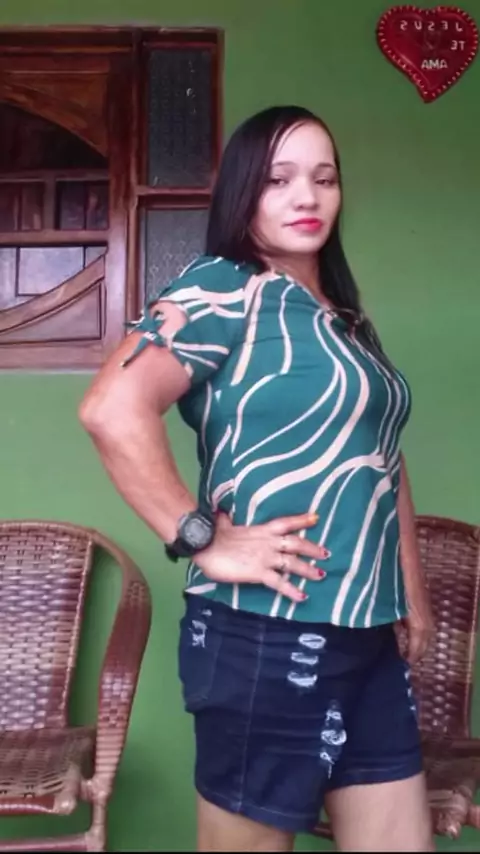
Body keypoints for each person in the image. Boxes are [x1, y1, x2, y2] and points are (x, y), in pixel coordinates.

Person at [79, 105, 436, 852]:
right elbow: (112, 409)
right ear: (245, 191)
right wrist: (202, 538)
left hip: (367, 636)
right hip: (265, 634)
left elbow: (382, 458)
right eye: (279, 180)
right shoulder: (224, 288)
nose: (307, 197)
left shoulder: (343, 319)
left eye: (324, 179)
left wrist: (411, 594)